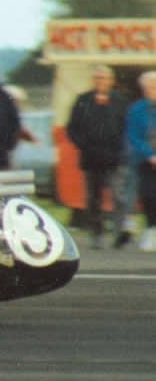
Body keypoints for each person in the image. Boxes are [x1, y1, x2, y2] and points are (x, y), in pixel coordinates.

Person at [66, 65, 129, 249]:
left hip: (115, 157)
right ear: (93, 81)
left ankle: (118, 234)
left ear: (111, 81)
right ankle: (96, 234)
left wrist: (120, 149)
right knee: (93, 199)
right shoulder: (82, 100)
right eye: (97, 78)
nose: (101, 81)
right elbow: (72, 129)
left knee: (118, 196)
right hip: (91, 157)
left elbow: (126, 128)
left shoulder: (121, 102)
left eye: (104, 78)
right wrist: (83, 145)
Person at [126, 71, 156, 252]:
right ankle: (151, 231)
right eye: (150, 86)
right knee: (149, 197)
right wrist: (150, 155)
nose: (153, 89)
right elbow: (134, 136)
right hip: (146, 162)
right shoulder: (136, 110)